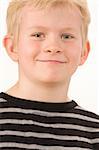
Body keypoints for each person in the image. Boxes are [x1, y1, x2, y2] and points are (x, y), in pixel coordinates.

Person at [0, 0, 99, 149]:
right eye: (38, 35)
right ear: (12, 47)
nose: (53, 47)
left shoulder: (94, 131)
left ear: (84, 52)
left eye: (66, 36)